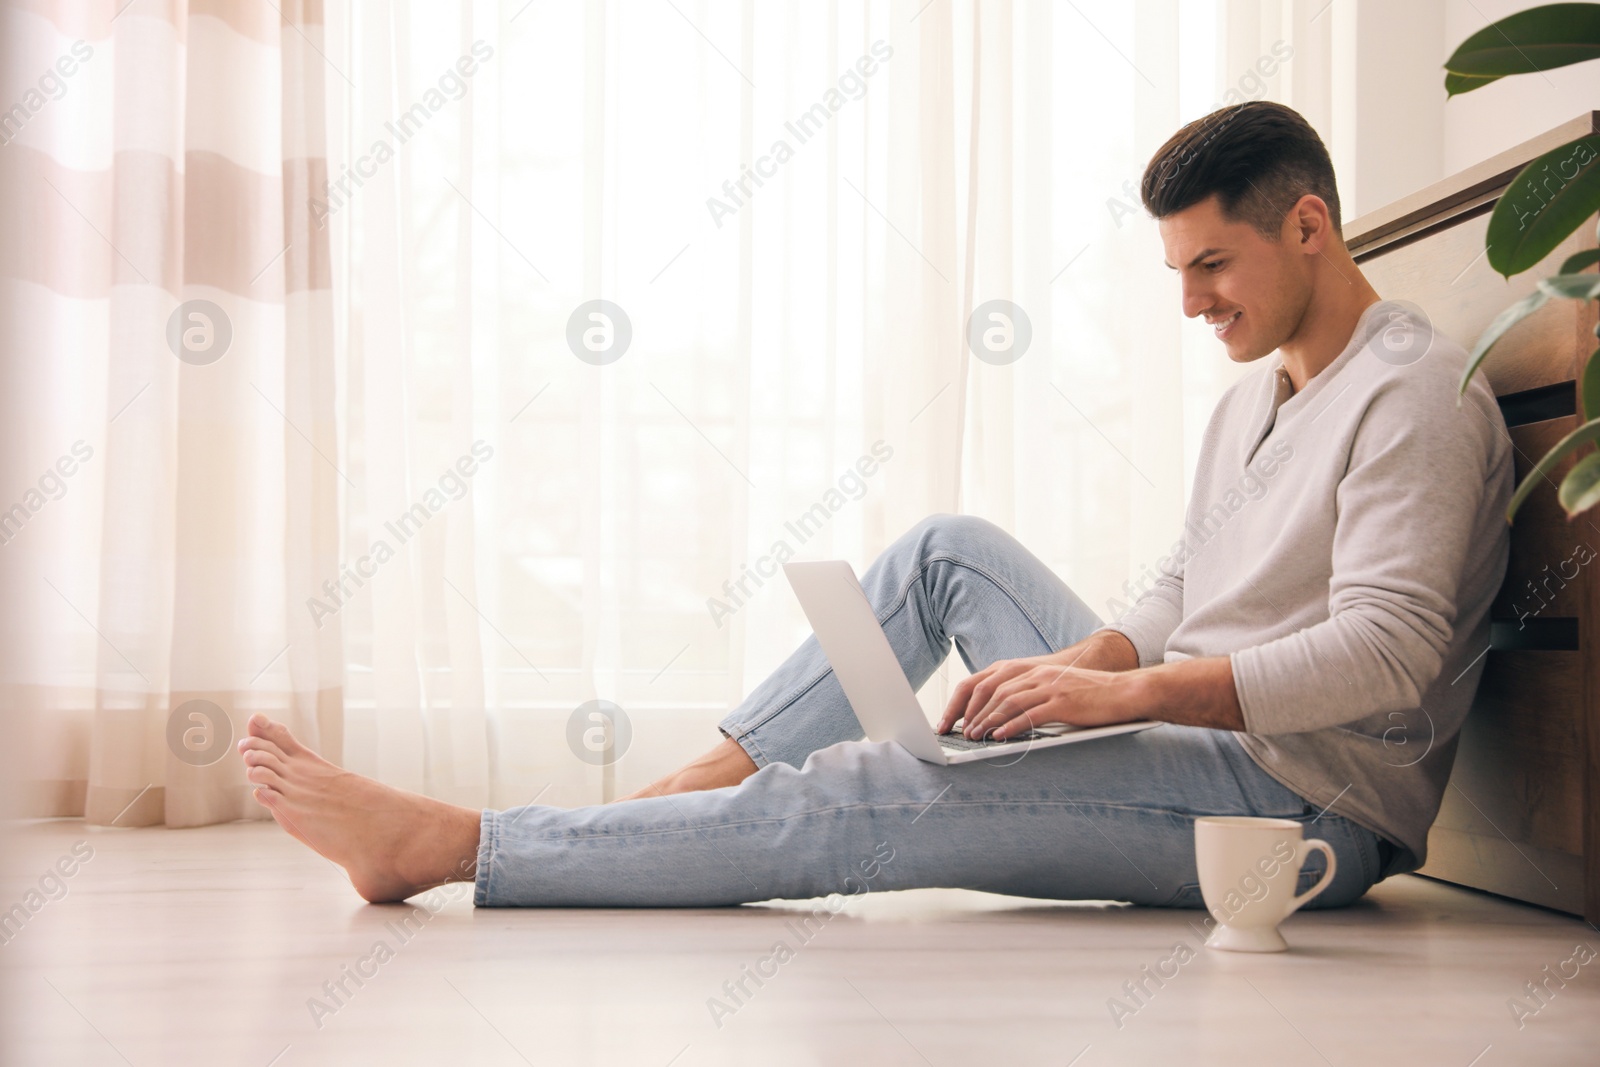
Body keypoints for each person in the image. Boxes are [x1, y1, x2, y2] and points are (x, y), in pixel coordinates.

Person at [238, 100, 1512, 909]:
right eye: (1178, 271)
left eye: (1212, 266)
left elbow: (1388, 653)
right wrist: (1089, 662)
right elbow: (1190, 584)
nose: (1191, 305)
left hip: (1299, 809)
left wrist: (1124, 696)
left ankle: (463, 846)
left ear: (1307, 228)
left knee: (882, 786)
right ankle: (691, 787)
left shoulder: (1411, 394)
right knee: (943, 552)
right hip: (1205, 731)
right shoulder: (1260, 391)